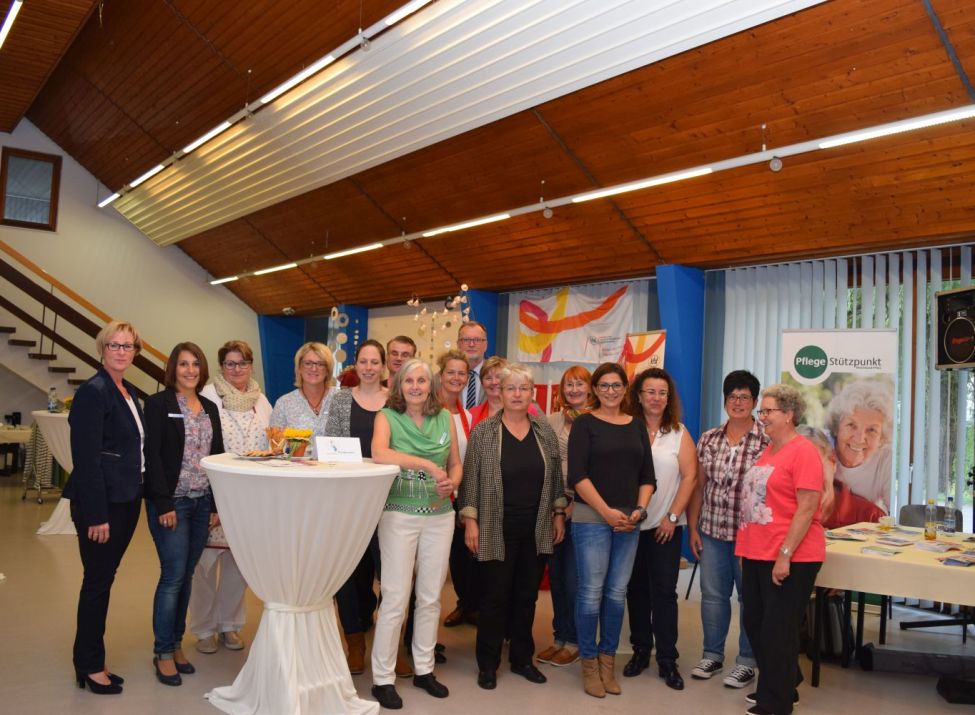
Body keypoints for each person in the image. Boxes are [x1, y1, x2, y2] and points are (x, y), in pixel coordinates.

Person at [459, 363, 567, 690]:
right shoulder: (484, 432)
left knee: (526, 597)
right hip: (495, 526)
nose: (517, 395)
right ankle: (488, 664)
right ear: (500, 393)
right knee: (494, 597)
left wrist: (558, 513)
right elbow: (470, 481)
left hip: (535, 526)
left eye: (523, 389)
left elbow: (556, 477)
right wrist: (470, 522)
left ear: (532, 393)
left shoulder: (544, 430)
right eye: (511, 389)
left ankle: (521, 659)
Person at [370, 359, 462, 710]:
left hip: (440, 516)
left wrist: (452, 482)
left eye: (422, 380)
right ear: (398, 385)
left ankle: (424, 669)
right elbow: (380, 453)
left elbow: (455, 462)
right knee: (395, 597)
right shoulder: (386, 416)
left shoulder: (445, 418)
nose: (415, 386)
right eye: (409, 380)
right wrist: (425, 464)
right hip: (399, 515)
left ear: (431, 384)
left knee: (431, 597)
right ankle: (383, 678)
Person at [65, 320, 146, 695]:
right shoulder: (93, 392)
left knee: (103, 580)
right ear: (102, 349)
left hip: (126, 501)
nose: (121, 351)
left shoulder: (127, 390)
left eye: (127, 346)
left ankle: (94, 659)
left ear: (135, 352)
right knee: (97, 584)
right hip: (101, 506)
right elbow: (86, 459)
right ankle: (89, 665)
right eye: (114, 345)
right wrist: (97, 515)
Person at [736, 384, 825, 715]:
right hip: (758, 551)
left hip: (792, 555)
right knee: (756, 622)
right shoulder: (769, 451)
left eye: (768, 411)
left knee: (777, 628)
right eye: (762, 412)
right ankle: (787, 677)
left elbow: (807, 507)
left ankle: (776, 702)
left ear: (789, 415)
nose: (762, 418)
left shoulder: (804, 452)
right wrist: (746, 551)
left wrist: (785, 554)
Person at [568, 362, 655, 698]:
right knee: (591, 593)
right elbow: (577, 475)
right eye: (603, 385)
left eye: (616, 385)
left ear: (624, 388)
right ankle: (589, 664)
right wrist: (606, 513)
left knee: (616, 595)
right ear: (595, 389)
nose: (610, 391)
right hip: (593, 519)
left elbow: (648, 476)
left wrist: (639, 510)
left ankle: (608, 664)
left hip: (629, 522)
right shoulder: (584, 424)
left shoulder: (636, 425)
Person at [144, 342, 224, 687]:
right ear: (172, 369)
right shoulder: (158, 404)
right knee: (173, 576)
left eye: (195, 364)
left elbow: (216, 455)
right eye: (183, 364)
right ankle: (162, 652)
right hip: (172, 503)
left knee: (187, 575)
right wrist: (163, 504)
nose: (190, 370)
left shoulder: (208, 407)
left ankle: (176, 645)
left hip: (201, 502)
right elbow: (153, 456)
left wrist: (217, 506)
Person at [687, 370, 768, 688]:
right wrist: (693, 527)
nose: (738, 402)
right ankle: (712, 655)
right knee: (713, 596)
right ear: (725, 401)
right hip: (712, 532)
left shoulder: (766, 440)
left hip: (752, 538)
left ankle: (747, 661)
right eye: (732, 396)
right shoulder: (709, 438)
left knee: (750, 598)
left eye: (744, 397)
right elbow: (697, 487)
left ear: (755, 402)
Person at [191, 340, 271, 654]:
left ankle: (230, 625)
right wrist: (211, 501)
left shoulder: (262, 401)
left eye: (242, 363)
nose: (236, 369)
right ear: (221, 367)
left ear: (251, 365)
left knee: (239, 568)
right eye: (230, 364)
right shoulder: (208, 396)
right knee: (205, 567)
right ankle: (203, 629)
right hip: (213, 494)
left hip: (250, 500)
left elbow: (274, 442)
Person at [623, 368, 698, 691]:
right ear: (638, 395)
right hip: (629, 526)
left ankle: (667, 658)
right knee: (635, 591)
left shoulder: (678, 432)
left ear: (669, 399)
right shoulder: (625, 428)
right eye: (650, 391)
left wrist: (672, 516)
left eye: (662, 393)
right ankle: (641, 651)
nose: (656, 398)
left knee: (665, 593)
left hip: (665, 527)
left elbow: (690, 477)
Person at [325, 339, 389, 675]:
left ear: (383, 366)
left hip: (389, 499)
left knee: (389, 572)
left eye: (374, 361)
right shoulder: (339, 401)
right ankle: (355, 642)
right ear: (355, 365)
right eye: (362, 361)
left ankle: (393, 643)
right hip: (349, 499)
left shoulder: (396, 401)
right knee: (348, 572)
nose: (368, 367)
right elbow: (330, 448)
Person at [537, 365, 593, 668]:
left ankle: (575, 641)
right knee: (556, 577)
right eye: (568, 384)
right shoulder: (550, 421)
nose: (573, 390)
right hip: (553, 508)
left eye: (579, 384)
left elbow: (596, 469)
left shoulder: (596, 421)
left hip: (585, 509)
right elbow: (545, 465)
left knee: (575, 580)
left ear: (590, 388)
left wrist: (574, 506)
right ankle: (559, 637)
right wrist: (557, 507)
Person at [437, 349, 479, 629]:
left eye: (461, 373)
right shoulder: (427, 411)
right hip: (435, 495)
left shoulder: (466, 415)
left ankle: (468, 605)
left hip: (461, 497)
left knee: (464, 557)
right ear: (440, 375)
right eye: (450, 372)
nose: (456, 377)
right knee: (436, 565)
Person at [824, 379, 894, 516]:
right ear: (837, 427)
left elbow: (895, 513)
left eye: (872, 430)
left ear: (882, 438)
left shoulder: (886, 459)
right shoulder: (820, 447)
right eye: (851, 425)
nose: (859, 438)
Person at [269, 342, 335, 458]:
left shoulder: (340, 399)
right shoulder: (284, 403)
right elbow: (275, 448)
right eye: (308, 363)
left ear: (328, 369)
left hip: (335, 470)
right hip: (297, 471)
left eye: (320, 364)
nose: (314, 368)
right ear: (299, 367)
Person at [458, 321, 489, 409]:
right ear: (458, 344)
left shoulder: (499, 377)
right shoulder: (441, 379)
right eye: (466, 340)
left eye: (477, 340)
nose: (471, 344)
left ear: (485, 345)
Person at [468, 355, 506, 426]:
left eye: (499, 377)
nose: (494, 382)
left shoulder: (525, 410)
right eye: (488, 378)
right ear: (482, 383)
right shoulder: (472, 414)